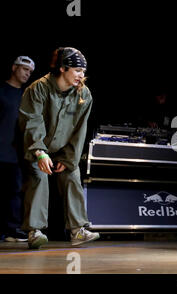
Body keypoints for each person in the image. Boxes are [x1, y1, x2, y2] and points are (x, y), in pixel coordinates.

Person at [18, 47, 99, 249]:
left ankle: (77, 230)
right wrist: (39, 152)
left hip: (63, 150)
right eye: (77, 70)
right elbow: (32, 121)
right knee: (39, 175)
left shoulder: (84, 94)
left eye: (83, 71)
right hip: (37, 146)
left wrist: (68, 158)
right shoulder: (38, 89)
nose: (81, 75)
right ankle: (35, 231)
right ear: (63, 68)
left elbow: (80, 131)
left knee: (72, 175)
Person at [0, 56, 35, 242]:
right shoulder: (2, 91)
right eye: (24, 69)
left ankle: (12, 231)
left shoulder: (25, 96)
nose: (27, 74)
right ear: (14, 67)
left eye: (30, 72)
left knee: (13, 193)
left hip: (14, 155)